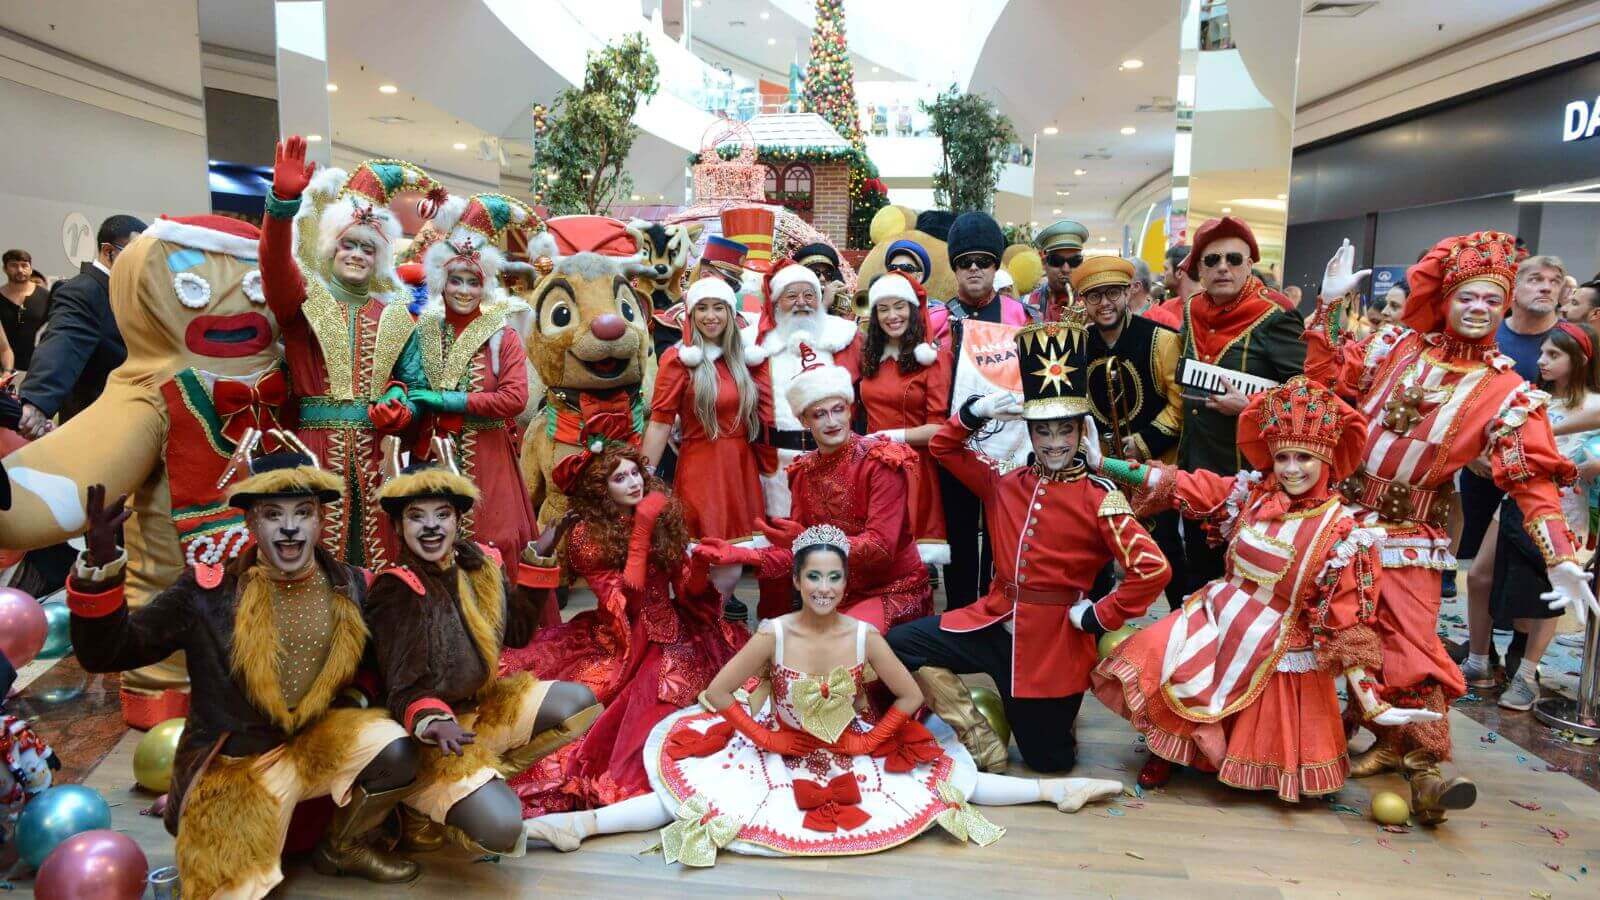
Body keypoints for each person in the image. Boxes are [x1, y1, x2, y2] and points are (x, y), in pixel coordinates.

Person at [522, 526, 1124, 860]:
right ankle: (586, 827)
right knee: (702, 798)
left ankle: (1055, 791)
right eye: (814, 577)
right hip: (779, 746)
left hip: (851, 745)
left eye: (835, 577)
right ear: (799, 579)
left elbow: (910, 697)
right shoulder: (772, 633)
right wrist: (763, 734)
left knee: (945, 783)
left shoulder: (865, 636)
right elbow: (716, 692)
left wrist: (877, 739)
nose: (825, 588)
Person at [1304, 232, 1597, 824]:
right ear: (1447, 298)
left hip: (1415, 530)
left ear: (1505, 307)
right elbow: (1325, 378)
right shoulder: (1395, 346)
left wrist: (1560, 556)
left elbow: (1532, 481)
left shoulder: (1509, 390)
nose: (1479, 307)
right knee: (1336, 631)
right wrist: (1330, 307)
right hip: (1342, 516)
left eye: (1493, 298)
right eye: (1469, 295)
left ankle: (1424, 767)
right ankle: (1344, 735)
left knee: (1409, 641)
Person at [64, 449, 419, 897]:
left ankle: (344, 847)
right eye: (274, 514)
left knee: (395, 748)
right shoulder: (206, 592)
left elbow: (380, 665)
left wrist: (355, 700)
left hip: (315, 746)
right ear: (251, 525)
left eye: (302, 513)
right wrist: (99, 572)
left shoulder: (351, 585)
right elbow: (110, 651)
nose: (289, 526)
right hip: (237, 768)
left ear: (319, 523)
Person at [1092, 375, 1442, 799]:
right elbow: (1184, 485)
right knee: (1172, 660)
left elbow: (1347, 622)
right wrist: (1104, 463)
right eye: (1283, 458)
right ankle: (1169, 749)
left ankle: (1213, 752)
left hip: (1278, 637)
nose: (1291, 469)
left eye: (1303, 458)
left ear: (1326, 460)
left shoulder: (1344, 533)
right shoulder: (1252, 494)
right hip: (1219, 611)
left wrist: (1371, 700)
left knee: (1243, 701)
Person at [888, 322, 1170, 774]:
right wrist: (972, 413)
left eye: (1065, 431)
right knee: (899, 643)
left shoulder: (1101, 497)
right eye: (1043, 432)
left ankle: (1056, 719)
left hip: (1053, 646)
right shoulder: (1005, 482)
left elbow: (1153, 569)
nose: (1055, 443)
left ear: (1081, 432)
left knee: (1049, 763)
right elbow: (943, 447)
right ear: (1030, 433)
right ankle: (976, 730)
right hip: (992, 623)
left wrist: (1101, 615)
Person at [502, 416, 748, 814]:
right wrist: (641, 534)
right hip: (620, 634)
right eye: (621, 478)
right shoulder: (587, 533)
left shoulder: (663, 517)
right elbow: (621, 597)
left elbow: (682, 586)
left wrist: (700, 567)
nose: (634, 482)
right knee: (609, 696)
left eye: (636, 473)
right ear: (602, 488)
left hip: (672, 623)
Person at [364, 456, 599, 858]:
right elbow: (403, 690)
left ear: (457, 520)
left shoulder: (479, 565)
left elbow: (518, 634)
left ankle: (483, 778)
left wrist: (537, 559)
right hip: (433, 736)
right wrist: (435, 723)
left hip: (481, 709)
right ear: (400, 527)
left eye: (442, 514)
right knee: (503, 829)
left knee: (579, 705)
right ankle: (417, 808)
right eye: (417, 517)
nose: (432, 526)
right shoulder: (397, 590)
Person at [259, 135, 439, 567]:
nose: (357, 254)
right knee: (312, 557)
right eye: (348, 243)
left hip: (378, 456)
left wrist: (401, 406)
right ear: (331, 247)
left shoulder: (395, 315)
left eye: (367, 247)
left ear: (380, 257)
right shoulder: (304, 300)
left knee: (381, 557)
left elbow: (415, 388)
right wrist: (281, 205)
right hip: (313, 450)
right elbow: (274, 266)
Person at [395, 192, 542, 599]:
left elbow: (515, 399)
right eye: (456, 279)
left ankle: (504, 638)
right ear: (442, 280)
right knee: (435, 545)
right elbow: (406, 384)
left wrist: (451, 401)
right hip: (433, 455)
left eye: (473, 281)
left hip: (489, 455)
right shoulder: (423, 330)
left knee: (498, 540)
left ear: (486, 284)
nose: (464, 290)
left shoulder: (503, 333)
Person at [724, 351, 934, 634]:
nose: (831, 422)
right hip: (833, 595)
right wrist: (745, 557)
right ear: (804, 421)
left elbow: (880, 548)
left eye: (838, 410)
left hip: (893, 590)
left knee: (841, 645)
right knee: (781, 643)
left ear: (850, 410)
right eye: (819, 414)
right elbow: (800, 552)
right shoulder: (802, 471)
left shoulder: (880, 461)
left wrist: (806, 538)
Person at [1466, 322, 1600, 709]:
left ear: (1579, 359)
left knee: (1550, 591)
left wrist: (1551, 434)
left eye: (1553, 355)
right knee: (1479, 575)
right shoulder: (1533, 399)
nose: (1542, 361)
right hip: (1515, 498)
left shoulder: (1590, 402)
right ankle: (1478, 661)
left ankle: (1527, 675)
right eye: (1541, 353)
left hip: (1564, 509)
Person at [1176, 216, 1306, 592]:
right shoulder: (1191, 309)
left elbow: (1309, 392)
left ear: (1250, 264)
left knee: (1247, 587)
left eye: (1234, 259)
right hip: (1197, 471)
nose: (1223, 268)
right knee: (1200, 580)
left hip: (1251, 478)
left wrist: (1252, 403)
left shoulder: (1276, 314)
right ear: (1198, 268)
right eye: (1212, 260)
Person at [1454, 254, 1564, 674]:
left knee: (1531, 567)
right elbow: (1461, 398)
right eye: (1536, 278)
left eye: (1554, 280)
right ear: (1513, 289)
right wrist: (1471, 452)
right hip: (1482, 468)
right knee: (1480, 565)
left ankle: (1520, 645)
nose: (1546, 286)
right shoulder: (1487, 336)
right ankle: (1482, 645)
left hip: (1541, 477)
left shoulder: (1567, 340)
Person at [742, 258, 863, 619]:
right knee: (778, 556)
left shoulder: (844, 339)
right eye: (790, 296)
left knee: (833, 551)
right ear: (775, 304)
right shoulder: (757, 348)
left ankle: (835, 633)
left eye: (809, 294)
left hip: (835, 464)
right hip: (775, 466)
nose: (801, 303)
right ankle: (773, 630)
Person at [928, 212, 1037, 612]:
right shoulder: (935, 321)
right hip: (955, 444)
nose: (974, 268)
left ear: (996, 265)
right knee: (957, 533)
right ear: (955, 266)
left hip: (1008, 447)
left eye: (984, 261)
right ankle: (959, 611)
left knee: (1001, 533)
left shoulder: (1022, 318)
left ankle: (996, 609)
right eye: (964, 261)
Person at [1077, 256, 1187, 609]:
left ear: (1129, 293)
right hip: (1097, 470)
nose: (1104, 303)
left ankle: (1183, 629)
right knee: (1093, 555)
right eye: (1094, 296)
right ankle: (1090, 631)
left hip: (1153, 469)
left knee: (1167, 549)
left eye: (1112, 293)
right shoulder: (1077, 345)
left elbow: (1181, 403)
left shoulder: (1161, 340)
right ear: (1084, 302)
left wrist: (1144, 442)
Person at [642, 276, 764, 547]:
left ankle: (725, 592)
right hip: (702, 467)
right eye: (702, 308)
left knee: (739, 555)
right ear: (691, 314)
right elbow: (660, 423)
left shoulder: (741, 358)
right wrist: (644, 475)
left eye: (718, 307)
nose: (711, 316)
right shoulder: (679, 360)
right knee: (703, 553)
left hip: (742, 466)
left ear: (731, 313)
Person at [17, 214, 146, 436]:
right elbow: (63, 343)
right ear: (108, 251)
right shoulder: (84, 290)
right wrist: (37, 403)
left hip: (132, 421)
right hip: (95, 424)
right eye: (136, 255)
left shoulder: (124, 289)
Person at [858, 272, 952, 568]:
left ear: (912, 309)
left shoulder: (932, 360)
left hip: (913, 468)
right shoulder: (870, 356)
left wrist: (891, 436)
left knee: (909, 562)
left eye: (899, 306)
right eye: (883, 308)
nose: (892, 315)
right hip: (872, 467)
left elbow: (939, 427)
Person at [1024, 219, 1089, 321]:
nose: (1066, 270)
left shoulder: (1091, 302)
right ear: (1044, 263)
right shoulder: (1029, 301)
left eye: (1074, 261)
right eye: (1057, 261)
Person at [1, 249, 47, 372]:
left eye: (24, 265)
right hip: (4, 371)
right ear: (5, 269)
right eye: (14, 265)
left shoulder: (46, 297)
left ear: (30, 269)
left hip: (37, 369)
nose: (20, 270)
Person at [793, 241, 850, 319]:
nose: (822, 279)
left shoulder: (837, 306)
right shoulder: (790, 302)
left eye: (827, 274)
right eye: (816, 273)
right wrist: (824, 305)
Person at [1143, 243, 1192, 328]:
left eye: (1166, 269)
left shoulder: (1211, 305)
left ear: (1179, 272)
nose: (1162, 274)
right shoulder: (1167, 307)